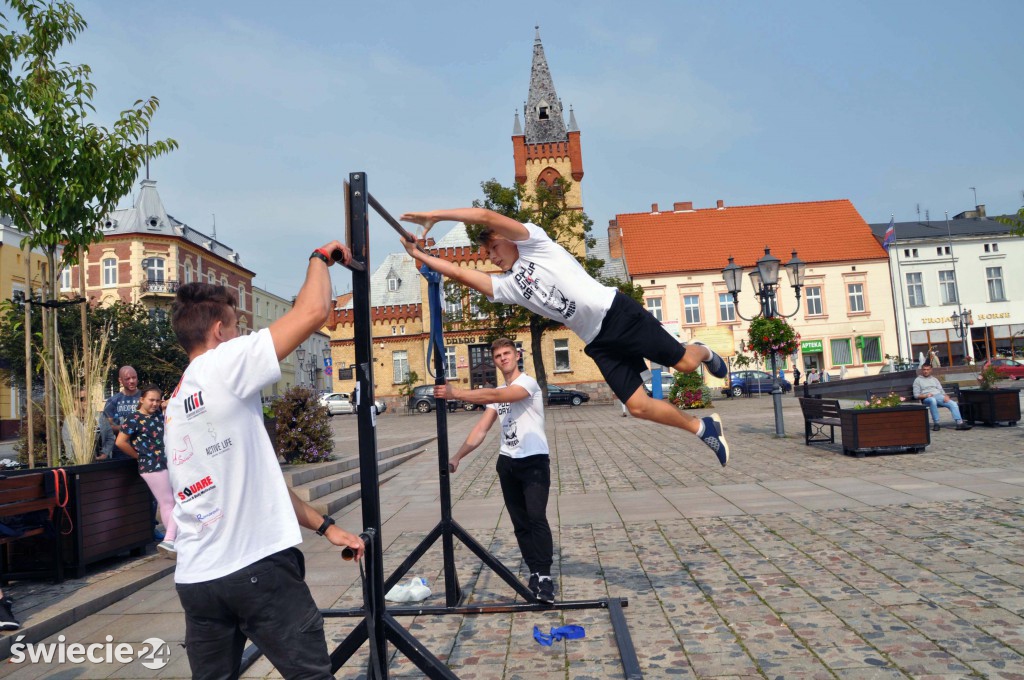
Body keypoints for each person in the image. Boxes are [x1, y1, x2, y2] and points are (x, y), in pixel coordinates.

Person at [165, 241, 365, 679]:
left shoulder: (178, 399)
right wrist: (318, 255)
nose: (241, 336)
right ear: (219, 331)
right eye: (236, 326)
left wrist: (326, 527)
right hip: (254, 569)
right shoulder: (224, 362)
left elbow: (257, 480)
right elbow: (314, 312)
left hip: (198, 580)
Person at [399, 208, 729, 466]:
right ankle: (703, 429)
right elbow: (458, 273)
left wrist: (436, 216)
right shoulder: (508, 287)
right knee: (638, 406)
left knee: (685, 363)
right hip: (598, 340)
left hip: (616, 313)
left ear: (510, 237)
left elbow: (485, 217)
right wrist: (421, 257)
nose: (492, 257)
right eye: (488, 254)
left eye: (494, 247)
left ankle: (701, 351)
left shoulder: (535, 244)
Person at [436, 338, 556, 603]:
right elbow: (481, 430)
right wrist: (457, 456)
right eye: (498, 355)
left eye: (507, 353)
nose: (503, 358)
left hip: (534, 460)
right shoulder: (497, 393)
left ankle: (545, 576)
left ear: (517, 356)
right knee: (520, 525)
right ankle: (534, 570)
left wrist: (457, 394)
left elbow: (500, 395)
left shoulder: (527, 383)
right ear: (495, 361)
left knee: (536, 517)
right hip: (508, 463)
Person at [116, 385, 176, 558]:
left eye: (157, 400)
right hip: (151, 465)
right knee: (168, 502)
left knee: (171, 501)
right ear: (141, 399)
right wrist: (139, 456)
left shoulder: (158, 415)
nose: (155, 403)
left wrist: (166, 404)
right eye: (151, 400)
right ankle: (171, 539)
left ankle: (173, 538)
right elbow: (120, 442)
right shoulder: (134, 418)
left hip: (163, 462)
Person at [913, 363, 971, 431]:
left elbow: (941, 391)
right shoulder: (918, 380)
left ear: (931, 370)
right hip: (927, 398)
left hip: (938, 396)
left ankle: (959, 423)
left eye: (927, 369)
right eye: (924, 369)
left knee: (953, 403)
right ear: (922, 370)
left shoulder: (934, 379)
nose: (926, 371)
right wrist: (926, 395)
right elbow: (916, 395)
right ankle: (936, 423)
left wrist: (946, 396)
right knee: (932, 400)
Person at [102, 366, 141, 460]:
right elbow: (107, 427)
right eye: (127, 379)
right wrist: (127, 427)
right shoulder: (113, 401)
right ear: (120, 380)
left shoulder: (145, 397)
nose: (131, 381)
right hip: (121, 452)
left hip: (144, 449)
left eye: (134, 377)